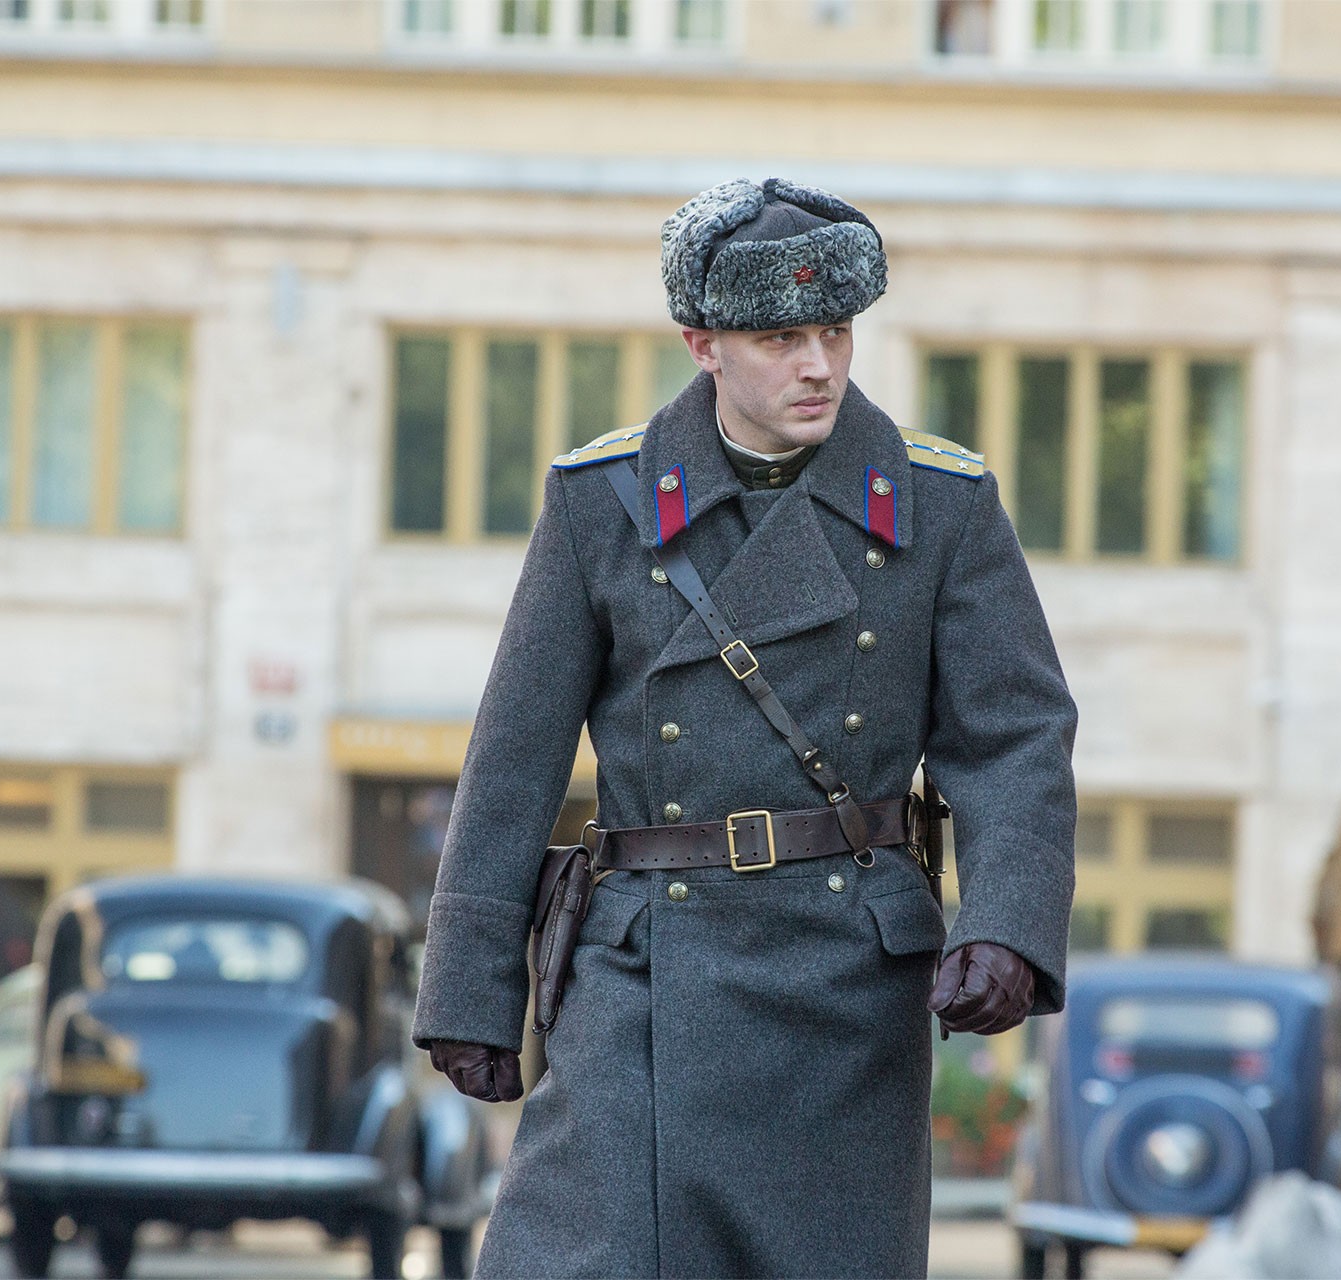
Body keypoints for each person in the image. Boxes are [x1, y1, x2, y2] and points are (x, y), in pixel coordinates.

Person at [410, 177, 1078, 1278]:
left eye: (835, 331)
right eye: (780, 338)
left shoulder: (942, 505)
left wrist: (1005, 921)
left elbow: (1012, 740)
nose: (818, 364)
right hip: (643, 968)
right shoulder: (603, 502)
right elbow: (514, 752)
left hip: (847, 981)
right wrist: (471, 981)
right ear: (703, 343)